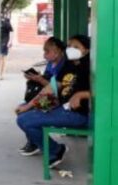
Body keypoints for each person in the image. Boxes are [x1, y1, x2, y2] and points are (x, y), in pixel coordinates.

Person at [15, 35, 91, 168]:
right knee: (23, 112)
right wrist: (28, 106)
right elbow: (51, 88)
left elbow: (106, 91)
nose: (70, 49)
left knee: (25, 120)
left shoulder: (90, 67)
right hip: (59, 105)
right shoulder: (69, 64)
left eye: (76, 47)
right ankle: (41, 146)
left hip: (77, 113)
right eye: (69, 46)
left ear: (86, 50)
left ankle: (55, 151)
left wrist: (81, 94)